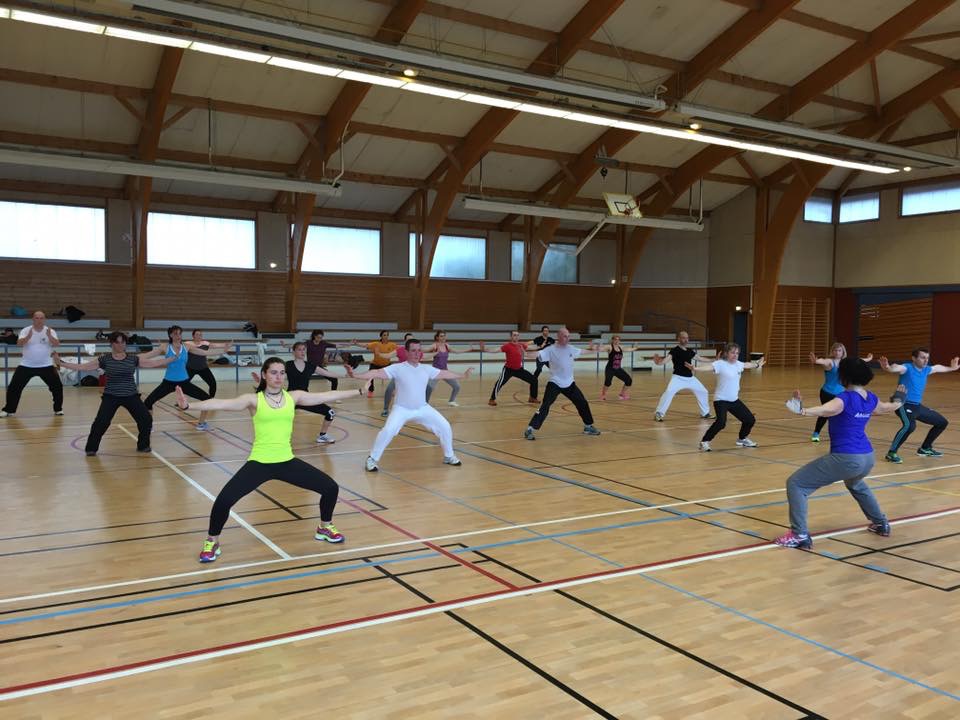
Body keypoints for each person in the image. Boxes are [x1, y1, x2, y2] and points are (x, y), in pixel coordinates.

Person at [174, 359, 364, 563]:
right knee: (224, 501)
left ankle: (324, 527)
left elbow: (327, 395)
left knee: (330, 488)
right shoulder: (254, 400)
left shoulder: (293, 397)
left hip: (286, 462)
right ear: (264, 375)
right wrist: (189, 405)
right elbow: (221, 403)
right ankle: (213, 541)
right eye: (273, 372)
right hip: (260, 463)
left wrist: (359, 391)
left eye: (282, 373)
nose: (278, 377)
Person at [775, 358, 902, 549]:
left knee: (796, 484)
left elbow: (826, 409)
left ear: (844, 376)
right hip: (867, 457)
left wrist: (802, 410)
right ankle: (881, 523)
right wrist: (899, 399)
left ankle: (799, 534)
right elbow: (887, 407)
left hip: (847, 457)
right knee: (856, 483)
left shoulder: (844, 398)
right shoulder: (870, 398)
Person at [350, 337, 472, 472]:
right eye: (413, 350)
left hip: (422, 408)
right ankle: (372, 459)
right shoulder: (398, 368)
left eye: (419, 350)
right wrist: (356, 375)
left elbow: (444, 373)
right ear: (406, 352)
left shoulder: (426, 369)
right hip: (401, 409)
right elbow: (376, 372)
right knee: (388, 431)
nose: (417, 353)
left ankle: (449, 456)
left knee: (445, 426)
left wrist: (462, 375)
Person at [53, 331, 175, 455]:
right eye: (117, 342)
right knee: (101, 422)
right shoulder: (105, 359)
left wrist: (172, 358)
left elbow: (153, 363)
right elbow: (83, 367)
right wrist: (61, 363)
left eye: (123, 342)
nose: (121, 345)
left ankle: (143, 446)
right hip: (111, 396)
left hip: (131, 395)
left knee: (146, 419)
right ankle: (91, 448)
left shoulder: (133, 359)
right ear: (111, 344)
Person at [251, 341, 350, 444]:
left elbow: (327, 373)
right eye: (299, 349)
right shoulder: (287, 365)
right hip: (291, 398)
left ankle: (323, 435)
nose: (302, 352)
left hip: (305, 398)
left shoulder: (310, 365)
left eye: (304, 350)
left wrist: (345, 375)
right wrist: (261, 379)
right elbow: (275, 375)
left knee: (330, 412)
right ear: (293, 352)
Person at [880, 348, 959, 463]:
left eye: (927, 358)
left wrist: (952, 368)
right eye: (922, 357)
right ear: (914, 358)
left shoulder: (926, 370)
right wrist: (887, 367)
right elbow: (896, 367)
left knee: (942, 422)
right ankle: (891, 453)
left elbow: (937, 368)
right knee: (909, 426)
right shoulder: (907, 368)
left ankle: (925, 448)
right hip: (903, 405)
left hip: (917, 406)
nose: (926, 360)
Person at [523, 327, 601, 440]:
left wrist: (595, 350)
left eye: (568, 336)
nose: (567, 338)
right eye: (565, 336)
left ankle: (588, 426)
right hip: (555, 382)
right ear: (559, 337)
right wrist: (525, 354)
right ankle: (530, 429)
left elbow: (583, 352)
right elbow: (537, 354)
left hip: (570, 383)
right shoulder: (551, 349)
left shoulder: (571, 349)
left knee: (582, 403)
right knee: (545, 405)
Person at [687, 343, 765, 451]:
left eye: (737, 353)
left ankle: (742, 439)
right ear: (726, 353)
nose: (735, 355)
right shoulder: (720, 364)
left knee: (750, 420)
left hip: (734, 400)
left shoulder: (738, 364)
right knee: (721, 423)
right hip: (721, 400)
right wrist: (696, 368)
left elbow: (747, 365)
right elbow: (709, 367)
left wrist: (756, 365)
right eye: (732, 352)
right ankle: (704, 441)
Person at [142, 325, 221, 430]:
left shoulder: (186, 346)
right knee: (148, 402)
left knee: (207, 400)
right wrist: (130, 358)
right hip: (168, 382)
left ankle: (201, 424)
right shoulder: (165, 347)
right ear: (170, 335)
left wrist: (222, 350)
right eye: (175, 333)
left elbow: (204, 352)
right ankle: (148, 426)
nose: (178, 336)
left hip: (184, 383)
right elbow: (148, 355)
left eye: (180, 333)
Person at [1, 310, 63, 418]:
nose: (39, 320)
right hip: (26, 365)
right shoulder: (26, 330)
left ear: (44, 319)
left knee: (57, 387)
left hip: (46, 365)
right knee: (13, 387)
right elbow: (19, 343)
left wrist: (49, 336)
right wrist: (28, 337)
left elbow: (57, 344)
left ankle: (58, 409)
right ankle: (8, 410)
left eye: (41, 318)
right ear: (33, 319)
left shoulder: (50, 331)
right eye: (37, 318)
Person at [808, 344, 873, 443]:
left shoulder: (846, 362)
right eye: (835, 350)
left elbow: (858, 360)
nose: (837, 352)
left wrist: (868, 359)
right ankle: (816, 433)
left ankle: (841, 434)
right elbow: (823, 361)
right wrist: (816, 361)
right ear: (832, 351)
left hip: (841, 394)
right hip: (827, 393)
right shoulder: (830, 362)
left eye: (839, 350)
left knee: (843, 414)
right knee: (826, 413)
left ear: (843, 352)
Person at [652, 331, 711, 421]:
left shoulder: (690, 351)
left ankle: (705, 413)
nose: (686, 340)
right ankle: (659, 413)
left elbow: (700, 358)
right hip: (678, 378)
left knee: (703, 391)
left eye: (687, 338)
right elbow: (666, 360)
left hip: (690, 378)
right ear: (679, 339)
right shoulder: (674, 350)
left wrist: (714, 360)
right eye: (683, 338)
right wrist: (659, 363)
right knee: (669, 392)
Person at [425, 330, 477, 407]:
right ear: (437, 337)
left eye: (444, 336)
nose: (443, 337)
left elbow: (457, 351)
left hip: (445, 371)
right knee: (429, 388)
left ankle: (451, 401)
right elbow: (424, 349)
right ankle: (425, 404)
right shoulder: (434, 346)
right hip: (436, 372)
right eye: (441, 336)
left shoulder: (447, 346)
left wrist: (468, 349)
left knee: (457, 386)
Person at [487, 330, 538, 406]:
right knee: (499, 383)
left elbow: (531, 347)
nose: (516, 337)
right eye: (514, 335)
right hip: (508, 369)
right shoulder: (507, 346)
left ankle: (532, 398)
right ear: (511, 337)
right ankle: (492, 399)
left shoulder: (521, 345)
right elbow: (496, 350)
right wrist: (486, 350)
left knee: (534, 380)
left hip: (519, 369)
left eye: (517, 335)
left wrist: (541, 346)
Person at [347, 330, 397, 397]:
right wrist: (356, 343)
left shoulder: (392, 345)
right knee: (370, 375)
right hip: (375, 364)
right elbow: (365, 345)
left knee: (396, 375)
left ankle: (393, 390)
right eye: (384, 335)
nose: (386, 336)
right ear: (381, 336)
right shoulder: (376, 344)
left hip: (386, 365)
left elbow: (401, 349)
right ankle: (371, 390)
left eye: (387, 335)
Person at [594, 335, 644, 401]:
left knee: (628, 380)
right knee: (608, 382)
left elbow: (630, 349)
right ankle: (603, 395)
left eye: (618, 339)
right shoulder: (609, 347)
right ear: (612, 340)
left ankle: (622, 394)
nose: (617, 341)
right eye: (615, 339)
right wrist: (596, 347)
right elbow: (601, 349)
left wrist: (636, 347)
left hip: (618, 369)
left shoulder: (621, 347)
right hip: (610, 369)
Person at [186, 329, 233, 398]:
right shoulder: (188, 344)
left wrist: (226, 344)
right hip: (190, 368)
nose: (199, 336)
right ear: (193, 336)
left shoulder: (205, 343)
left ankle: (211, 399)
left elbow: (215, 345)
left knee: (213, 384)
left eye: (200, 335)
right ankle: (180, 401)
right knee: (182, 385)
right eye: (197, 334)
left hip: (203, 368)